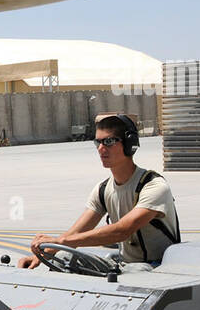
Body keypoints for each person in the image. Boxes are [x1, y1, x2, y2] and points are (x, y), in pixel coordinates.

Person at [18, 114, 180, 269]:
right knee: (63, 259)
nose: (101, 149)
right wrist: (39, 257)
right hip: (127, 265)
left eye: (109, 141)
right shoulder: (103, 190)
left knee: (130, 274)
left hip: (157, 268)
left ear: (129, 144)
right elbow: (77, 232)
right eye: (98, 143)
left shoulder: (153, 186)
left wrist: (62, 241)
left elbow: (122, 231)